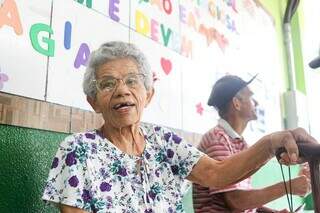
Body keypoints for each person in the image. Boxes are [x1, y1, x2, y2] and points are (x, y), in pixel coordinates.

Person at [42, 41, 316, 213]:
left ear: (148, 94)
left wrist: (270, 143)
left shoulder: (164, 143)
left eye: (132, 81)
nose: (121, 91)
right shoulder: (77, 150)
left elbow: (218, 174)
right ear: (93, 101)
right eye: (108, 84)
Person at [192, 75, 311, 213]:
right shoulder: (218, 139)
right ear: (237, 103)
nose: (256, 103)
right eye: (251, 98)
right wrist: (287, 187)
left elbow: (245, 201)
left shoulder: (239, 143)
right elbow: (235, 201)